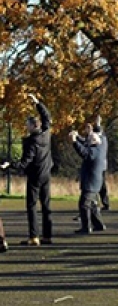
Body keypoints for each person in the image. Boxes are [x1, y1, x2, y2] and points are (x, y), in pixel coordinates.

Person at [1, 94, 53, 246]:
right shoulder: (46, 133)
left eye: (27, 125)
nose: (26, 127)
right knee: (46, 205)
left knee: (31, 206)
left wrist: (9, 165)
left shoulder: (32, 142)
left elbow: (24, 163)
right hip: (46, 173)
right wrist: (37, 103)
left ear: (32, 126)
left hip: (35, 176)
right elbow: (47, 116)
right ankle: (48, 235)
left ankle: (34, 237)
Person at [70, 130, 107, 234]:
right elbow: (86, 143)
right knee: (93, 204)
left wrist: (74, 141)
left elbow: (83, 152)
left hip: (90, 183)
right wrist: (77, 136)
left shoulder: (93, 151)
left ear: (93, 141)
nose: (87, 141)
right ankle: (99, 225)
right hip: (96, 183)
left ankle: (86, 227)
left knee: (84, 204)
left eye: (90, 139)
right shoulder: (101, 147)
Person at [93, 116, 110, 211]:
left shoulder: (99, 140)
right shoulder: (104, 139)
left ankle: (97, 202)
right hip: (103, 166)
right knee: (102, 185)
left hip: (99, 166)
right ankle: (105, 202)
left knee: (98, 184)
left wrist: (98, 123)